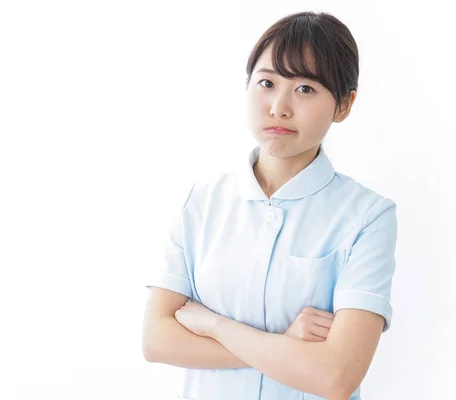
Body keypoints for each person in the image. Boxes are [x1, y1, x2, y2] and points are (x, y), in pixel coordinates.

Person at [141, 10, 398, 400]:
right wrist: (287, 345)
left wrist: (211, 323)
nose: (279, 106)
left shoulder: (367, 216)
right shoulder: (202, 202)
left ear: (344, 105)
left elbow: (336, 377)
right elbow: (156, 340)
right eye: (267, 83)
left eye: (306, 89)